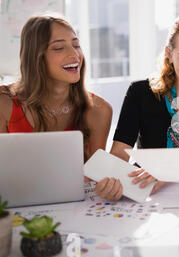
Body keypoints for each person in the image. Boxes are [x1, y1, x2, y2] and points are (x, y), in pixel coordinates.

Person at [94, 13, 179, 201]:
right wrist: (110, 180)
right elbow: (119, 154)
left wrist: (167, 171)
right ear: (169, 54)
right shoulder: (139, 92)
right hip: (145, 191)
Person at [0, 15, 112, 161]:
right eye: (59, 48)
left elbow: (95, 177)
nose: (74, 54)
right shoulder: (4, 103)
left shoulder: (99, 110)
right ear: (35, 57)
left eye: (76, 45)